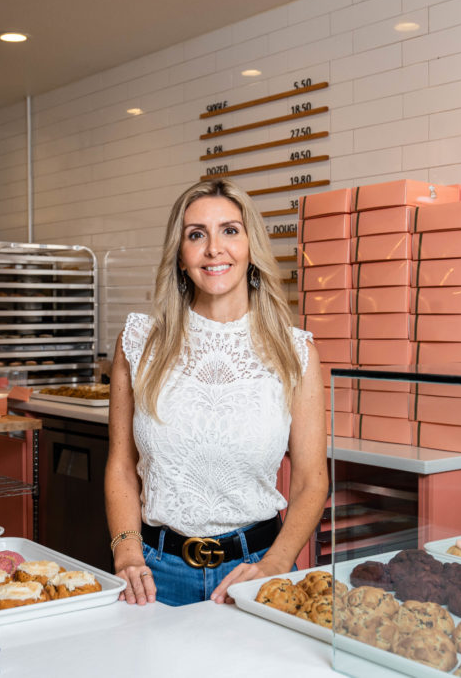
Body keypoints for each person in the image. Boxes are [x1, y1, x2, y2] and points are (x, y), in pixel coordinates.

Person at [105, 178, 328, 607]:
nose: (213, 249)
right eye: (196, 234)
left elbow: (311, 480)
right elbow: (121, 464)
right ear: (180, 254)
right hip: (154, 575)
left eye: (229, 230)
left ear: (251, 245)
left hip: (256, 570)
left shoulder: (295, 350)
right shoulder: (138, 342)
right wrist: (126, 552)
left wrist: (276, 565)